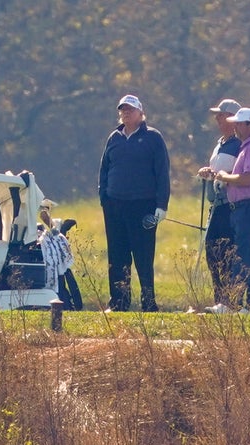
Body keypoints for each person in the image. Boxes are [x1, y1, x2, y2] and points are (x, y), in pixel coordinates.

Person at [99, 94, 171, 312]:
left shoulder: (153, 137)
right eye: (123, 110)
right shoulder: (114, 138)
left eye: (130, 109)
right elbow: (104, 169)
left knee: (143, 255)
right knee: (117, 255)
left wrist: (161, 205)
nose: (126, 113)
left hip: (143, 206)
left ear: (141, 112)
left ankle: (148, 302)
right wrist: (104, 198)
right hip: (115, 205)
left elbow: (162, 173)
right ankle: (119, 302)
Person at [206, 107, 250, 314]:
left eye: (239, 123)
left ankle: (231, 303)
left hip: (249, 207)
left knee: (242, 255)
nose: (235, 126)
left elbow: (247, 178)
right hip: (243, 208)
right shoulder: (246, 147)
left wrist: (224, 177)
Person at [197, 98, 242, 306]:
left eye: (221, 115)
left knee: (226, 253)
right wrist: (207, 172)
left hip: (228, 207)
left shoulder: (239, 145)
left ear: (232, 119)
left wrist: (219, 175)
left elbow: (238, 174)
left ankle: (229, 301)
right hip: (214, 205)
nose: (217, 118)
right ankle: (219, 300)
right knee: (212, 251)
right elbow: (217, 171)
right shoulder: (220, 144)